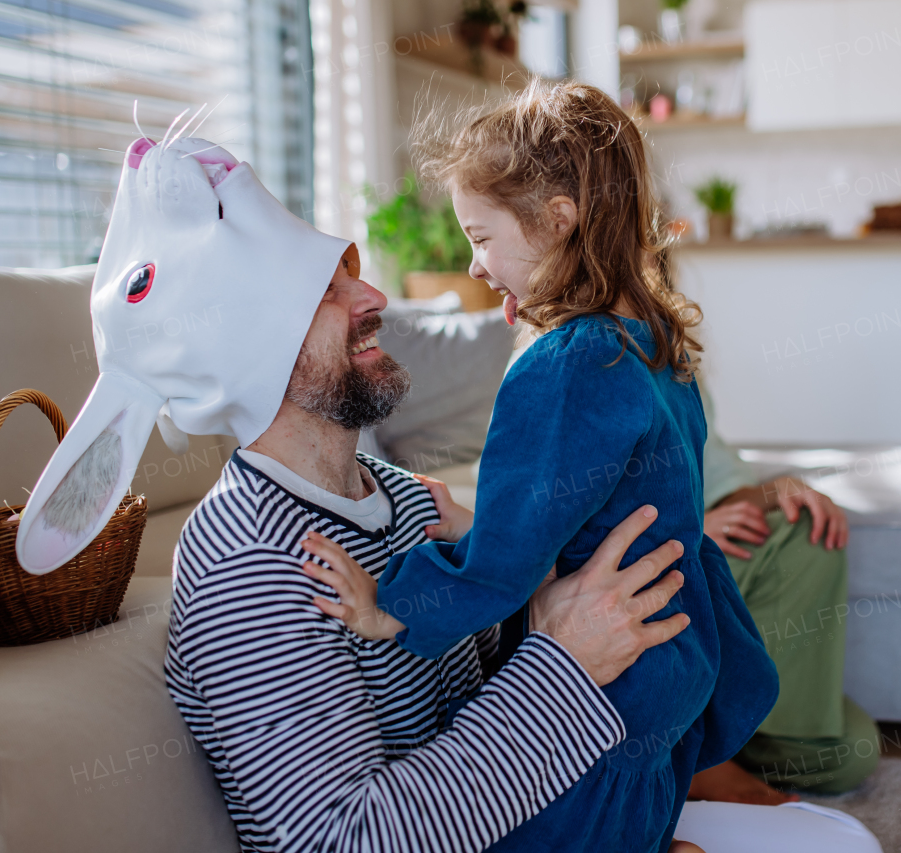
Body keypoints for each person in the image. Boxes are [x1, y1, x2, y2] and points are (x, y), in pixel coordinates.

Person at [305, 80, 877, 853]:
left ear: (558, 220)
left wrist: (387, 606)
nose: (475, 266)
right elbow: (615, 502)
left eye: (481, 236)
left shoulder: (565, 363)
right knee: (642, 802)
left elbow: (505, 559)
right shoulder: (656, 346)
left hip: (609, 683)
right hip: (675, 657)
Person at [164, 245, 693, 853]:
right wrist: (566, 664)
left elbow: (495, 680)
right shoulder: (250, 562)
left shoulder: (411, 502)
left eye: (352, 276)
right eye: (324, 292)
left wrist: (551, 597)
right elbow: (341, 841)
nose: (375, 299)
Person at [686, 384, 881, 805]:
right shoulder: (573, 369)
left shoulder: (676, 365)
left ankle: (723, 737)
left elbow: (726, 490)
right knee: (802, 536)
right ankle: (697, 758)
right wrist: (690, 530)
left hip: (705, 554)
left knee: (853, 753)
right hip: (661, 564)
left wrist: (780, 489)